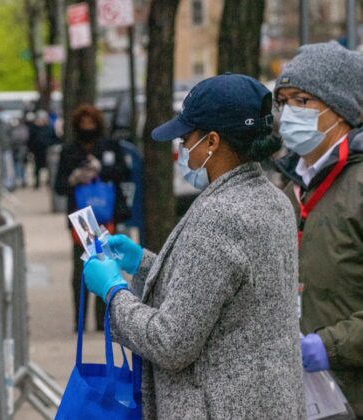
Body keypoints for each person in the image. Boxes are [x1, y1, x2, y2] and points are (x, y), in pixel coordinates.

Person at [83, 74, 305, 419]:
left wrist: (114, 293)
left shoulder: (221, 215)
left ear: (212, 141)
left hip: (218, 405)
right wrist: (144, 263)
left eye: (187, 139)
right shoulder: (272, 200)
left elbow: (170, 342)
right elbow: (227, 293)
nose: (183, 149)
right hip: (267, 401)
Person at [273, 41, 363, 418]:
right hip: (306, 401)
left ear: (339, 110)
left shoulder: (357, 186)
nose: (290, 112)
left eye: (303, 100)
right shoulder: (294, 186)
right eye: (284, 100)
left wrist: (328, 346)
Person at [54, 103, 130, 331]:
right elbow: (59, 185)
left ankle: (102, 319)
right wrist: (75, 178)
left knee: (105, 262)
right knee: (81, 267)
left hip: (105, 215)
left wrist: (101, 170)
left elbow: (124, 172)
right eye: (83, 123)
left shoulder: (110, 146)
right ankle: (80, 319)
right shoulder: (70, 151)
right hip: (81, 217)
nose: (87, 127)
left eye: (91, 122)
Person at [28, 110, 58, 188]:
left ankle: (49, 182)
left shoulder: (50, 128)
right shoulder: (34, 128)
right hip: (37, 151)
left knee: (49, 167)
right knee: (37, 167)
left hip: (48, 151)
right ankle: (37, 182)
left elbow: (55, 139)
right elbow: (31, 140)